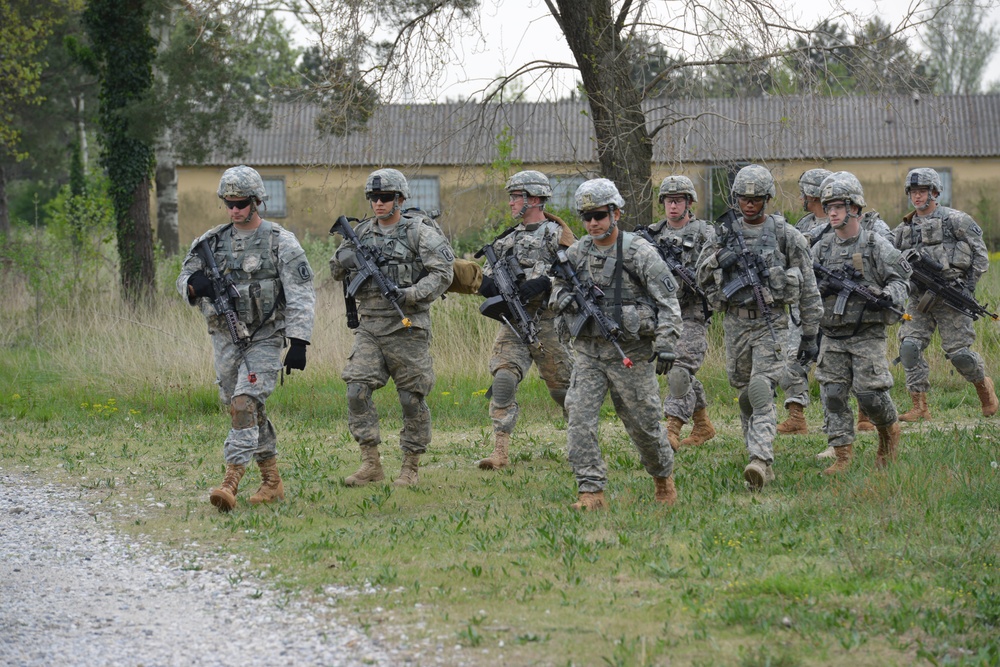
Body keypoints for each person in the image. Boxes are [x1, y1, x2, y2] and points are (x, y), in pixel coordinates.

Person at [177, 165, 316, 512]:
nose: (234, 210)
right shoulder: (211, 242)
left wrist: (299, 341)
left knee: (244, 403)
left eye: (241, 203)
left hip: (265, 336)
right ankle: (272, 481)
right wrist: (195, 286)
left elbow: (301, 292)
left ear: (256, 202)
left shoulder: (279, 241)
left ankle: (230, 482)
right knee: (243, 407)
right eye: (229, 203)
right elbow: (183, 276)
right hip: (225, 336)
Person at [549, 178, 682, 510]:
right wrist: (564, 298)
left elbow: (668, 302)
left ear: (616, 213)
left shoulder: (638, 252)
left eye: (599, 215)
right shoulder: (577, 252)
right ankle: (591, 491)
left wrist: (666, 343)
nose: (593, 223)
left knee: (645, 425)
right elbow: (555, 288)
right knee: (578, 417)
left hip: (631, 353)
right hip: (588, 352)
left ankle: (663, 477)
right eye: (586, 217)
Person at [696, 164, 822, 491]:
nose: (749, 204)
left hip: (773, 322)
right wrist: (717, 261)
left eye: (755, 199)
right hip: (736, 323)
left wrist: (810, 334)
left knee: (761, 389)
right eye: (743, 199)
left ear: (767, 199)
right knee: (743, 395)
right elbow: (700, 278)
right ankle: (756, 451)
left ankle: (760, 459)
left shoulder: (786, 236)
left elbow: (808, 289)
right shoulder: (720, 234)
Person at [330, 168, 455, 487]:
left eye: (385, 198)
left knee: (410, 398)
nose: (378, 203)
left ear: (400, 199)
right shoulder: (361, 233)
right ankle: (371, 464)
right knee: (356, 391)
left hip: (407, 325)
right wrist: (347, 257)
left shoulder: (419, 232)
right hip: (370, 326)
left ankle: (410, 467)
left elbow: (442, 273)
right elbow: (335, 270)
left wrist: (411, 293)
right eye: (373, 198)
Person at [811, 172, 910, 473]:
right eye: (828, 206)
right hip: (832, 334)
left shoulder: (875, 244)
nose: (832, 212)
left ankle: (888, 433)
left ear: (855, 207)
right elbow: (804, 285)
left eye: (838, 206)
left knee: (870, 394)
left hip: (867, 333)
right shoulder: (820, 248)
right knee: (833, 395)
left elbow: (902, 279)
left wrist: (885, 293)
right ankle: (842, 454)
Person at [475, 170, 575, 470]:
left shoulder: (559, 236)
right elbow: (487, 273)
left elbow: (577, 275)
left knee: (563, 390)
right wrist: (487, 285)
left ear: (533, 199)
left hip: (548, 322)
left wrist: (546, 283)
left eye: (515, 196)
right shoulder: (507, 239)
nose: (510, 203)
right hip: (514, 323)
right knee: (503, 380)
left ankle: (579, 443)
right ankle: (500, 451)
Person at [893, 168, 998, 420]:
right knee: (909, 347)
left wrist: (966, 289)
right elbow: (890, 261)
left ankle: (985, 390)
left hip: (952, 297)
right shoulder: (904, 228)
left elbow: (980, 256)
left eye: (922, 191)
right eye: (913, 192)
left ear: (935, 192)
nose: (917, 197)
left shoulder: (956, 220)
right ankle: (920, 407)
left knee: (959, 353)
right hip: (919, 300)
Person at [642, 175, 717, 450]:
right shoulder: (650, 236)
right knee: (679, 371)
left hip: (692, 311)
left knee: (680, 370)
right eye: (668, 201)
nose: (672, 206)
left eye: (678, 201)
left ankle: (671, 429)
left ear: (689, 203)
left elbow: (713, 271)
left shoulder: (705, 234)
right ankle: (703, 424)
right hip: (661, 315)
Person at [773, 169, 829, 436]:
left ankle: (863, 414)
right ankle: (796, 416)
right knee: (792, 360)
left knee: (837, 365)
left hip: (837, 306)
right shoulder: (802, 226)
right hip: (804, 307)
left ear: (814, 194)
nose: (801, 197)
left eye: (804, 192)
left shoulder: (845, 222)